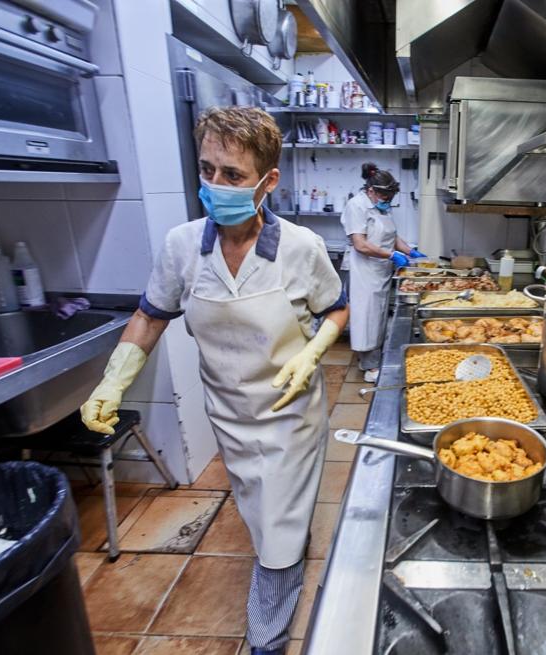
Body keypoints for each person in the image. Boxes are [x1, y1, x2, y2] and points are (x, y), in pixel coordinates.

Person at [79, 107, 348, 655]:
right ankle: (290, 547)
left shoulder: (300, 248)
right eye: (207, 170)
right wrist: (114, 381)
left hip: (290, 418)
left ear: (268, 181)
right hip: (228, 414)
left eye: (233, 175)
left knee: (274, 533)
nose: (215, 185)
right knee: (263, 516)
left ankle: (265, 640)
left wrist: (315, 350)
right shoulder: (182, 246)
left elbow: (337, 309)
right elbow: (151, 314)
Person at [341, 162, 423, 382]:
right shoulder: (356, 206)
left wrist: (411, 252)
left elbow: (392, 237)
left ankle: (371, 358)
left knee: (377, 316)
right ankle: (370, 365)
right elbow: (360, 244)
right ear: (371, 191)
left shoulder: (380, 206)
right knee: (366, 316)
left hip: (381, 271)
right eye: (386, 197)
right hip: (364, 271)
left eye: (391, 198)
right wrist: (390, 256)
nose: (389, 202)